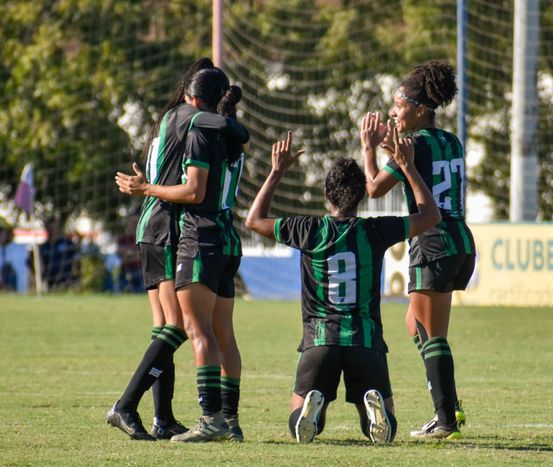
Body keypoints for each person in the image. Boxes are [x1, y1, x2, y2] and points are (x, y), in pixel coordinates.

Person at [245, 130, 441, 444]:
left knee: (302, 422)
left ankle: (312, 408)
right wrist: (408, 167)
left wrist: (276, 171)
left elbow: (254, 221)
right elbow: (431, 215)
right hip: (366, 343)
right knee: (379, 425)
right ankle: (371, 406)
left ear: (327, 194)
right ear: (363, 194)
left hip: (319, 342)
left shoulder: (308, 229)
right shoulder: (375, 229)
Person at [108, 61, 249, 442]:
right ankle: (127, 405)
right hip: (171, 228)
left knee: (168, 327)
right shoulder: (195, 122)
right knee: (179, 327)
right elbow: (200, 182)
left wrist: (147, 189)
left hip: (154, 226)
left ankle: (162, 417)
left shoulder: (171, 118)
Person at [360, 60, 476, 440]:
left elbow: (374, 188)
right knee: (416, 325)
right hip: (460, 240)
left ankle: (445, 419)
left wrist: (368, 148)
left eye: (399, 104)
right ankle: (450, 405)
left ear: (420, 109)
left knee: (432, 333)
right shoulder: (450, 141)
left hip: (433, 242)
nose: (393, 111)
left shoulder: (414, 145)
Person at [27, 219, 78, 291]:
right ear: (47, 229)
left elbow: (77, 259)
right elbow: (31, 262)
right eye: (50, 228)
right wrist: (40, 276)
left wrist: (78, 277)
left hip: (67, 280)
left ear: (58, 229)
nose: (53, 231)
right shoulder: (42, 247)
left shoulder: (67, 243)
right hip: (50, 282)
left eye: (55, 228)